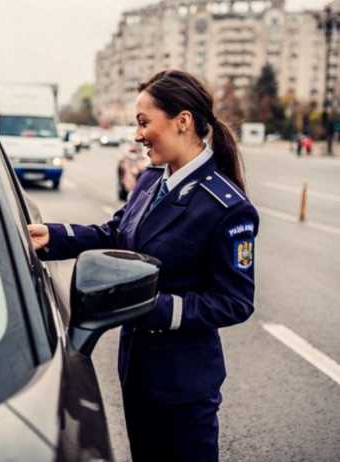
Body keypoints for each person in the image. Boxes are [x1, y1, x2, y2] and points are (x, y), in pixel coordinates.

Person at [28, 70, 259, 462]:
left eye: (143, 122)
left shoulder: (227, 207)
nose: (137, 135)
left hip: (184, 387)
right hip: (138, 372)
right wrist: (52, 237)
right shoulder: (153, 180)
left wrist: (152, 305)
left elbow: (235, 301)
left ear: (182, 121)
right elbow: (117, 232)